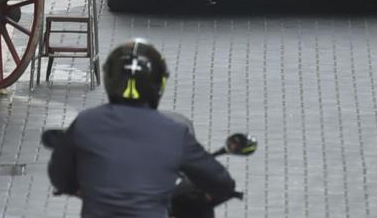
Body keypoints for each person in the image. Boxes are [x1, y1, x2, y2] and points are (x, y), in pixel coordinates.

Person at [48, 39, 237, 217]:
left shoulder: (86, 122)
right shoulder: (174, 133)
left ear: (109, 78)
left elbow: (59, 176)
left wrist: (80, 189)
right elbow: (221, 182)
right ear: (159, 83)